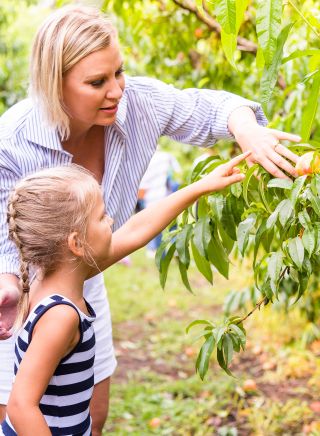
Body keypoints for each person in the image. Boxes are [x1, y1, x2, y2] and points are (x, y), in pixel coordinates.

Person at [0, 5, 301, 434]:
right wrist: (9, 281)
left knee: (89, 414)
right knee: (23, 407)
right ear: (55, 84)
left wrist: (241, 138)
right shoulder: (12, 140)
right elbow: (3, 237)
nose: (117, 90)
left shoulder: (136, 104)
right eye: (97, 82)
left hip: (81, 277)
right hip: (26, 297)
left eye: (119, 72)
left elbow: (207, 109)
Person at [0, 155, 248, 434]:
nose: (111, 220)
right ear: (77, 243)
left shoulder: (47, 280)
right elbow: (21, 405)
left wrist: (199, 188)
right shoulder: (60, 315)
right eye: (101, 216)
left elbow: (134, 231)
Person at [138, 149, 181, 256]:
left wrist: (139, 204)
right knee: (173, 225)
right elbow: (178, 171)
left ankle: (161, 256)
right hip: (168, 196)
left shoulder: (145, 161)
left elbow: (142, 187)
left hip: (152, 200)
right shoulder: (166, 156)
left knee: (156, 230)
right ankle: (176, 250)